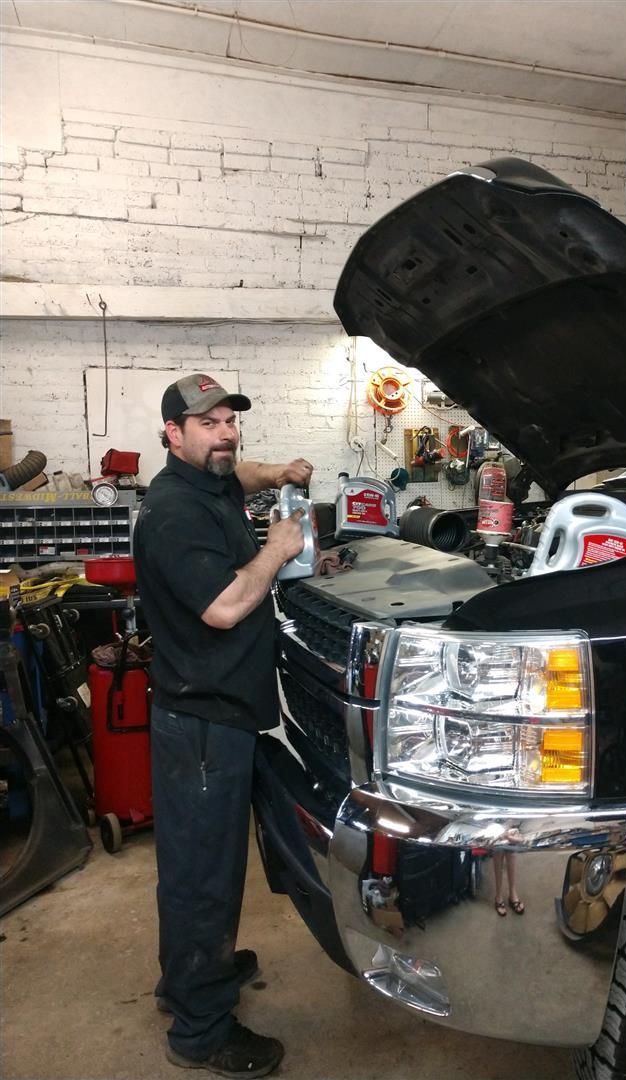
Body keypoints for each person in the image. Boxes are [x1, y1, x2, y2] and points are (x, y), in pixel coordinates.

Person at [133, 373, 311, 1078]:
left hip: (209, 712)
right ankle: (201, 1032)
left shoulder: (213, 482)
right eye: (207, 424)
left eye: (230, 420)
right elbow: (226, 607)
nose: (225, 434)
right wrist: (280, 546)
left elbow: (240, 472)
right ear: (172, 435)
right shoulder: (175, 512)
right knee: (204, 875)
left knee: (192, 865)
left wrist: (282, 471)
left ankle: (186, 981)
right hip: (203, 723)